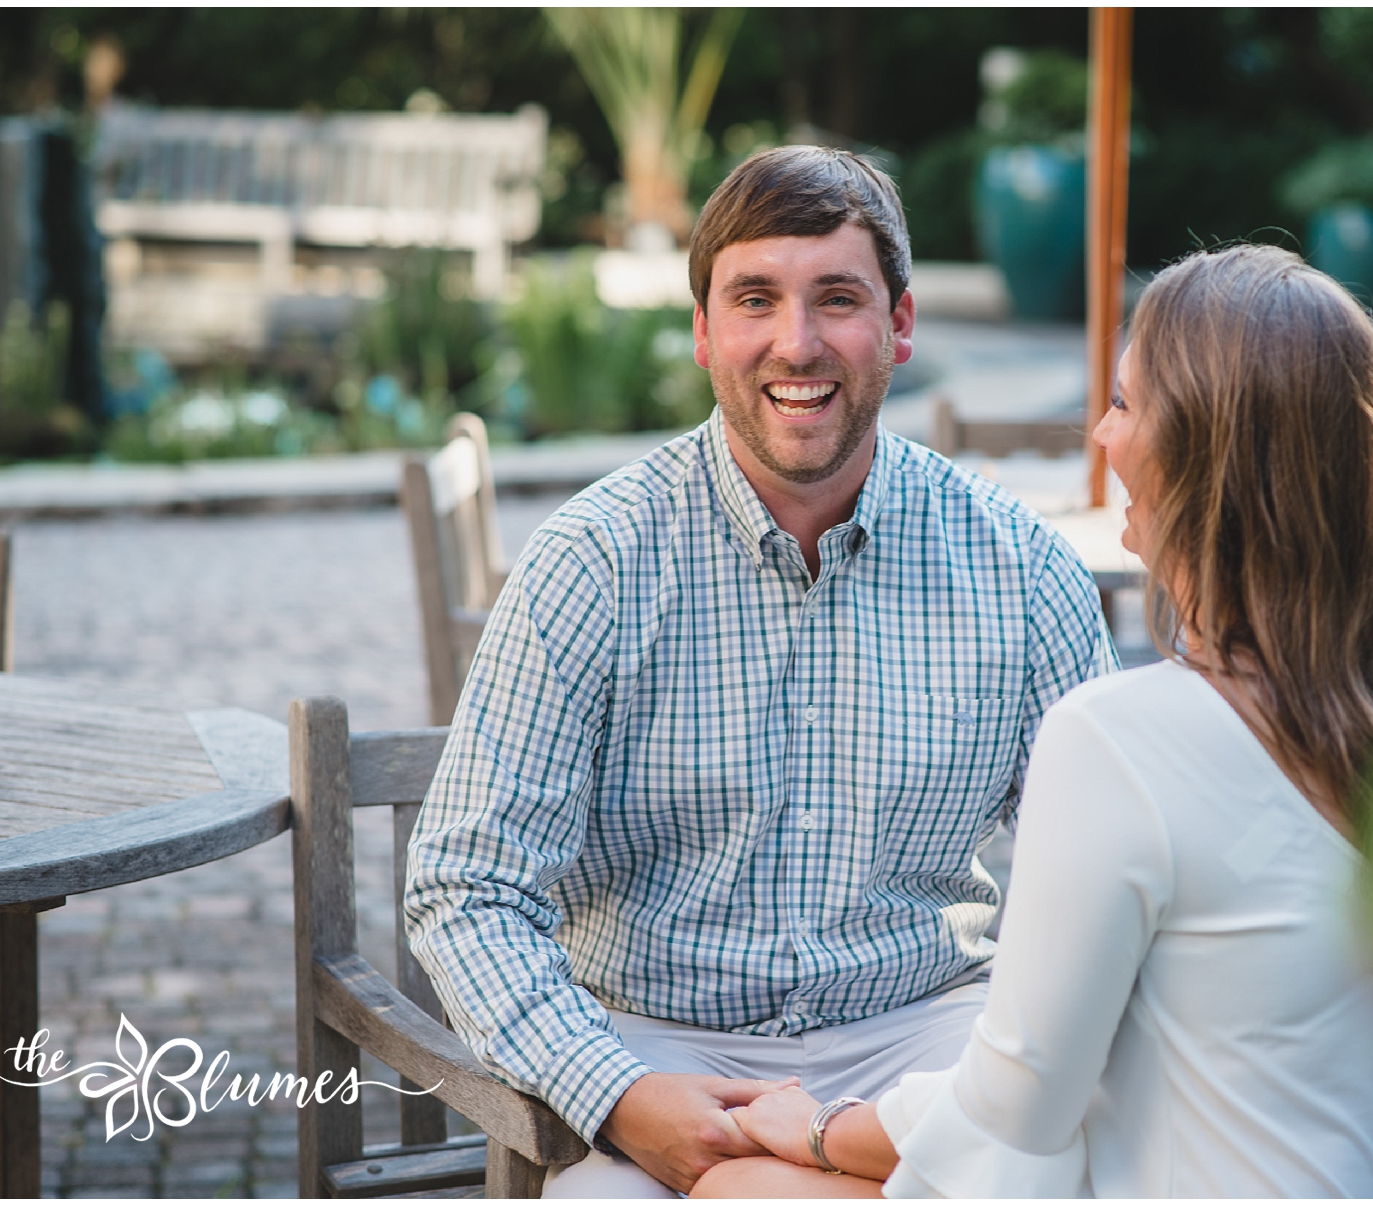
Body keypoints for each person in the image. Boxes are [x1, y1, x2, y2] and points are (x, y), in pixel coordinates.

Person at [694, 244, 1373, 1198]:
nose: (1100, 435)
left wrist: (818, 1127)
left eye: (1125, 403)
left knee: (742, 1190)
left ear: (1205, 454)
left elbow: (1018, 1103)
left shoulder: (1122, 739)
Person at [403, 145, 1117, 1197]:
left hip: (928, 1042)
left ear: (900, 325)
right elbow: (464, 889)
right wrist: (615, 1093)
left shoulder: (1019, 567)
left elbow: (1102, 880)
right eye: (754, 299)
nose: (798, 342)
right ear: (702, 332)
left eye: (838, 298)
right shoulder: (592, 563)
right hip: (657, 1046)